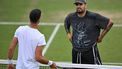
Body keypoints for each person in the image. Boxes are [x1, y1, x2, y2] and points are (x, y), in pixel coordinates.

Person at [64, 0, 113, 66]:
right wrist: (68, 33)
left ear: (85, 5)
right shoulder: (71, 16)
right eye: (77, 4)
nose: (78, 6)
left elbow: (110, 23)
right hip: (76, 51)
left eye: (80, 4)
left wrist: (101, 37)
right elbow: (66, 22)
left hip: (90, 52)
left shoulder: (94, 17)